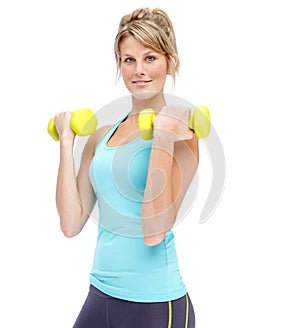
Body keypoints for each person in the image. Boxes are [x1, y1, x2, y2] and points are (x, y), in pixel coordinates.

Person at [54, 7, 198, 328]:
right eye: (128, 59)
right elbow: (71, 223)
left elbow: (154, 230)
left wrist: (161, 137)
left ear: (170, 62)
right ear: (119, 64)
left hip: (156, 306)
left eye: (150, 58)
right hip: (100, 296)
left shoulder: (182, 134)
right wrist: (67, 142)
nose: (139, 71)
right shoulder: (102, 137)